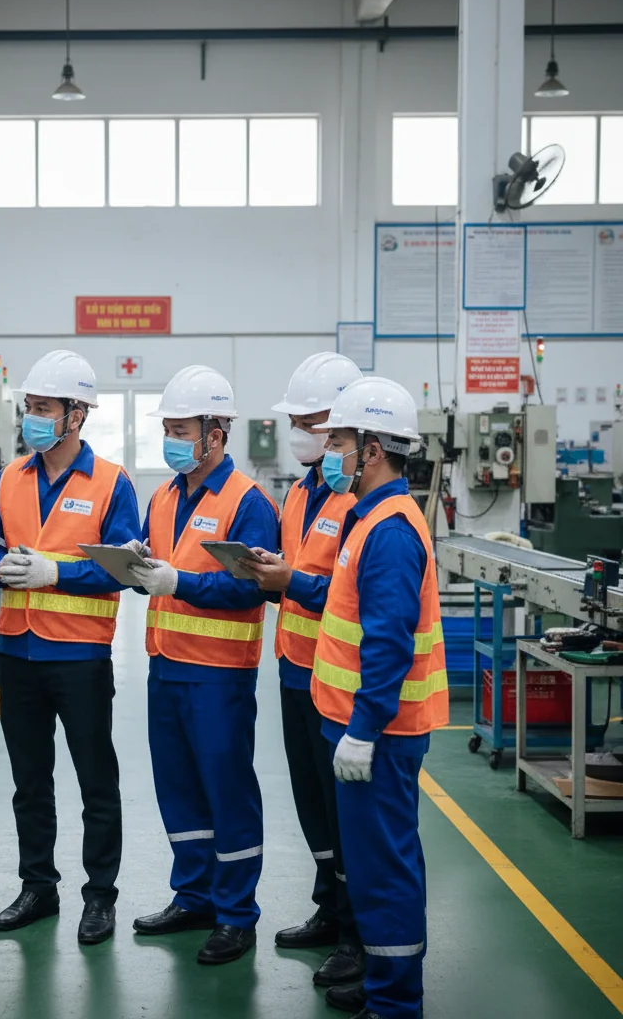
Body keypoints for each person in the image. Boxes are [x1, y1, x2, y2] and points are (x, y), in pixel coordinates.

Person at [249, 376, 448, 1019]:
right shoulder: (367, 519)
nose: (326, 450)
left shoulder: (388, 529)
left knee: (385, 874)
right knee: (371, 869)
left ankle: (394, 1003)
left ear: (371, 450)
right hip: (354, 724)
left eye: (336, 440)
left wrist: (363, 728)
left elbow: (387, 644)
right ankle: (383, 989)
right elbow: (341, 610)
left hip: (380, 737)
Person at [0, 350, 141, 946]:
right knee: (30, 781)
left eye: (43, 408)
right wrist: (2, 568)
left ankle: (100, 896)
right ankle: (38, 886)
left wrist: (57, 574)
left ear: (76, 415)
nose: (32, 419)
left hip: (80, 657)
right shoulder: (10, 478)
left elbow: (127, 570)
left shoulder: (112, 484)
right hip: (17, 653)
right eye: (30, 408)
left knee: (96, 779)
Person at [129, 365, 279, 966]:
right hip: (165, 666)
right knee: (178, 787)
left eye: (181, 428)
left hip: (219, 673)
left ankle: (237, 913)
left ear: (216, 434)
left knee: (227, 789)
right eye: (166, 428)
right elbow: (157, 563)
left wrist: (178, 580)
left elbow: (252, 589)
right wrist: (139, 565)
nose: (172, 439)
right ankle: (193, 895)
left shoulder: (249, 503)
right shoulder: (165, 495)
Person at [243, 353, 365, 991]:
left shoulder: (356, 501)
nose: (301, 433)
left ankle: (355, 931)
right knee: (312, 803)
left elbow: (348, 589)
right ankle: (328, 903)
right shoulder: (301, 492)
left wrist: (293, 580)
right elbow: (296, 570)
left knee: (346, 813)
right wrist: (269, 571)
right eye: (296, 421)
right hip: (294, 669)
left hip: (338, 679)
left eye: (314, 422)